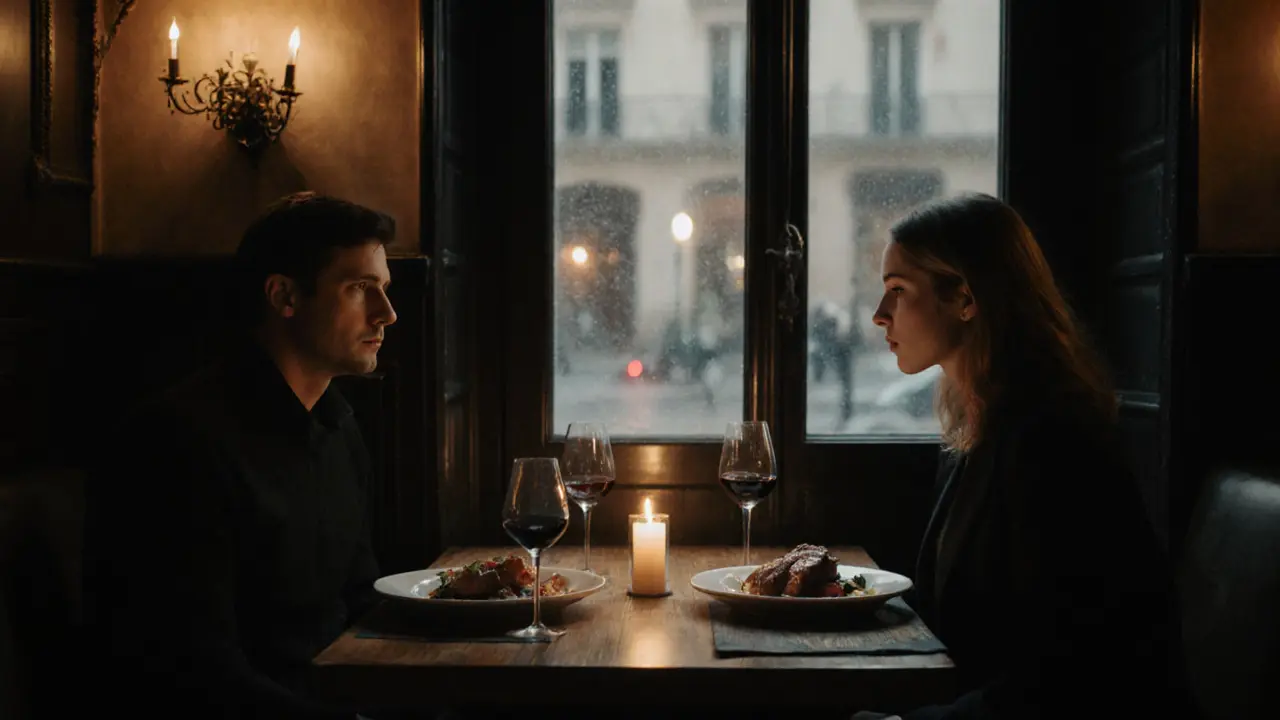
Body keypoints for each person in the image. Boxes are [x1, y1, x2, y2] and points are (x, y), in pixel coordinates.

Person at [859, 193, 1184, 719]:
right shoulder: (978, 426)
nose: (879, 316)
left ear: (965, 299)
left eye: (898, 290)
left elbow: (1072, 675)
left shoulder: (1052, 444)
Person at [83, 192, 398, 719]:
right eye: (360, 288)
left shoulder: (338, 428)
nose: (387, 314)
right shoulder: (175, 441)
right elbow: (189, 668)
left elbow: (360, 602)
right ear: (284, 296)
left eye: (384, 289)